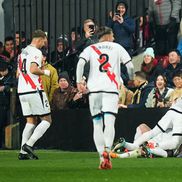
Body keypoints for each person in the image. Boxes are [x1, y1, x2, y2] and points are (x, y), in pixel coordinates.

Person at [76, 26, 134, 169]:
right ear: (108, 35)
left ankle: (102, 157)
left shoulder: (91, 48)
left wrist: (78, 82)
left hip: (94, 91)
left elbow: (80, 63)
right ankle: (108, 150)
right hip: (110, 90)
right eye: (113, 34)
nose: (114, 37)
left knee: (97, 124)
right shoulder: (117, 47)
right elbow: (131, 66)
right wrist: (131, 79)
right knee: (109, 123)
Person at [17, 29, 52, 160]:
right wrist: (46, 72)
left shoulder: (23, 52)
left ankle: (23, 152)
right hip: (34, 90)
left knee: (30, 121)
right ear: (40, 39)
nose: (45, 43)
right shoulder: (36, 52)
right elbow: (33, 69)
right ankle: (29, 145)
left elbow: (19, 73)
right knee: (47, 120)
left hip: (22, 91)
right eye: (44, 40)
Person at [116, 97, 182, 154]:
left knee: (153, 132)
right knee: (175, 143)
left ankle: (134, 145)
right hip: (179, 114)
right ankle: (152, 146)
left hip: (172, 110)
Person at [0, 57, 15, 148]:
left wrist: (5, 88)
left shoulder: (11, 76)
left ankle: (3, 143)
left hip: (5, 105)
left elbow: (14, 87)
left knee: (3, 125)